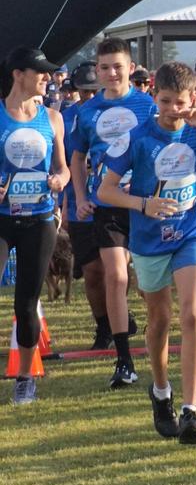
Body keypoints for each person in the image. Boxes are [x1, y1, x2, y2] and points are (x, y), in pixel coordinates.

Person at [98, 61, 196, 444]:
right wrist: (142, 205)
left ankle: (191, 409)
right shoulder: (136, 138)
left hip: (191, 233)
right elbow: (104, 191)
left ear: (193, 100)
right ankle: (161, 391)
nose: (173, 109)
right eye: (166, 101)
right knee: (160, 319)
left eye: (181, 102)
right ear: (155, 97)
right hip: (149, 239)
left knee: (191, 311)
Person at [71, 37, 157, 388]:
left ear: (131, 68)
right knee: (116, 277)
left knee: (151, 286)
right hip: (106, 206)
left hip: (145, 205)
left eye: (117, 66)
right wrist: (79, 196)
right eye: (104, 67)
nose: (110, 73)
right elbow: (77, 157)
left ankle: (158, 348)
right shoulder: (86, 111)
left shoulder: (148, 106)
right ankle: (124, 361)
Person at [0, 47, 70, 404]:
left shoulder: (53, 118)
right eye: (40, 71)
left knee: (26, 304)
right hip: (2, 220)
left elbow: (64, 167)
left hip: (40, 220)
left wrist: (60, 179)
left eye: (49, 72)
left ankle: (25, 377)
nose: (47, 77)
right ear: (18, 75)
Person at [61, 62, 112, 350]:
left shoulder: (113, 114)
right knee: (92, 271)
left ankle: (117, 315)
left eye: (94, 91)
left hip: (111, 201)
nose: (89, 97)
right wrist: (66, 203)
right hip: (79, 201)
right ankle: (103, 324)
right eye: (84, 91)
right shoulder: (67, 119)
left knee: (115, 268)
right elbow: (66, 163)